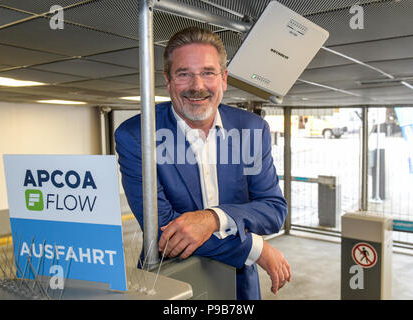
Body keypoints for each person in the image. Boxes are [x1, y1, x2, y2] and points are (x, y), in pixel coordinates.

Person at [115, 27, 291, 300]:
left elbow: (273, 210)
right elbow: (166, 231)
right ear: (168, 80)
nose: (197, 86)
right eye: (184, 74)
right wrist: (254, 248)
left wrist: (213, 218)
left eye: (208, 73)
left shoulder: (252, 129)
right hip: (171, 280)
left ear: (223, 79)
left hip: (239, 284)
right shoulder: (136, 136)